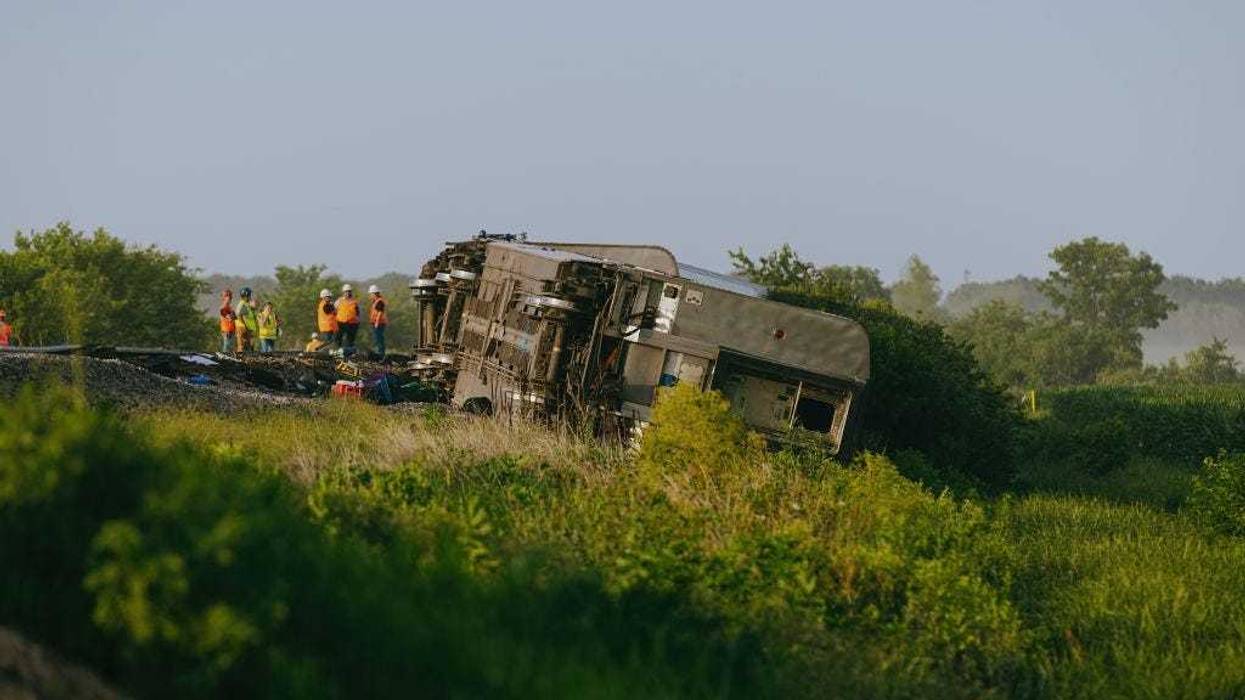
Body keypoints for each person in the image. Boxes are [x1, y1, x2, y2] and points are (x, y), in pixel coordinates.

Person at [335, 283, 361, 355]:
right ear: (343, 292)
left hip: (352, 324)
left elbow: (358, 313)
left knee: (350, 340)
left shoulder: (355, 301)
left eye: (349, 291)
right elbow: (334, 311)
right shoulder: (339, 301)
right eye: (346, 291)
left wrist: (358, 321)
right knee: (338, 338)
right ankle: (338, 352)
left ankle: (349, 354)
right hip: (341, 323)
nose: (348, 293)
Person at [310, 288, 337, 353]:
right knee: (329, 342)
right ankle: (318, 350)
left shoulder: (323, 304)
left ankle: (319, 350)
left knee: (329, 341)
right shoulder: (325, 305)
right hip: (327, 327)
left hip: (328, 327)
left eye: (330, 297)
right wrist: (334, 306)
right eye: (328, 297)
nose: (330, 298)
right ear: (324, 297)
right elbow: (331, 311)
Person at [235, 287, 259, 352]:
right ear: (246, 295)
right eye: (249, 295)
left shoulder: (246, 304)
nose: (250, 297)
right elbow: (239, 315)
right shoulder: (243, 304)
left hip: (245, 328)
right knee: (242, 347)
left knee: (247, 346)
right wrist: (244, 326)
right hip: (243, 328)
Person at [368, 284, 388, 359]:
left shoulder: (379, 301)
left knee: (379, 339)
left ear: (375, 293)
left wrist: (376, 322)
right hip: (377, 323)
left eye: (371, 294)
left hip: (379, 323)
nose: (370, 295)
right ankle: (379, 353)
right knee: (377, 338)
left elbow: (380, 312)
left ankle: (381, 354)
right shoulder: (376, 301)